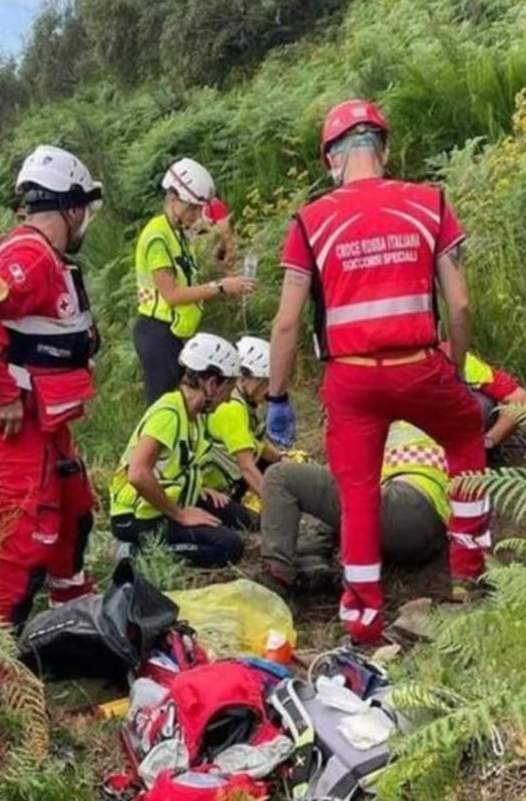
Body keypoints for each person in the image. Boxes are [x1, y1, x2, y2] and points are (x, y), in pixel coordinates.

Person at [266, 98, 487, 645]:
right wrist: (454, 372)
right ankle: (470, 576)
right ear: (383, 150)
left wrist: (275, 396)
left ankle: (362, 618)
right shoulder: (429, 202)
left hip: (352, 379)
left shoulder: (310, 222)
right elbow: (458, 306)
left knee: (358, 490)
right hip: (420, 366)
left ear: (331, 161)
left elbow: (287, 323)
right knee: (464, 435)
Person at [0, 144, 104, 630]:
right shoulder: (32, 257)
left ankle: (70, 611)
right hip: (20, 425)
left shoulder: (30, 254)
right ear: (72, 207)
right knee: (28, 543)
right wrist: (2, 393)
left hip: (46, 419)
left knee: (75, 510)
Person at [257, 421, 449, 599]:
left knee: (279, 475)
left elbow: (334, 482)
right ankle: (312, 556)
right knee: (348, 496)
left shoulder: (377, 423)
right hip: (430, 534)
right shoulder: (437, 429)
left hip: (403, 507)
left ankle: (277, 578)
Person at [109, 333, 252, 568]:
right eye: (228, 389)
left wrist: (199, 488)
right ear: (212, 384)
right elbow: (138, 473)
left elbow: (175, 465)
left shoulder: (193, 416)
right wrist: (180, 514)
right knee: (228, 547)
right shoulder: (168, 414)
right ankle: (136, 551)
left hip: (160, 504)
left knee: (237, 517)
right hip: (136, 516)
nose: (228, 400)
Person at [134, 158, 255, 403]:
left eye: (200, 209)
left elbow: (191, 275)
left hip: (178, 332)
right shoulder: (157, 236)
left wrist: (224, 243)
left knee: (185, 407)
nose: (196, 215)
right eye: (192, 208)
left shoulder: (177, 233)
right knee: (163, 412)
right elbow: (173, 294)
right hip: (158, 333)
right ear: (173, 198)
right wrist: (220, 287)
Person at [202, 336, 284, 508]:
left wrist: (282, 458)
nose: (269, 390)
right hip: (210, 491)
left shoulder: (242, 403)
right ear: (244, 378)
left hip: (225, 482)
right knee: (249, 520)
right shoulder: (232, 408)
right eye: (265, 382)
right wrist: (278, 507)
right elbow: (246, 466)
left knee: (282, 468)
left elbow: (255, 443)